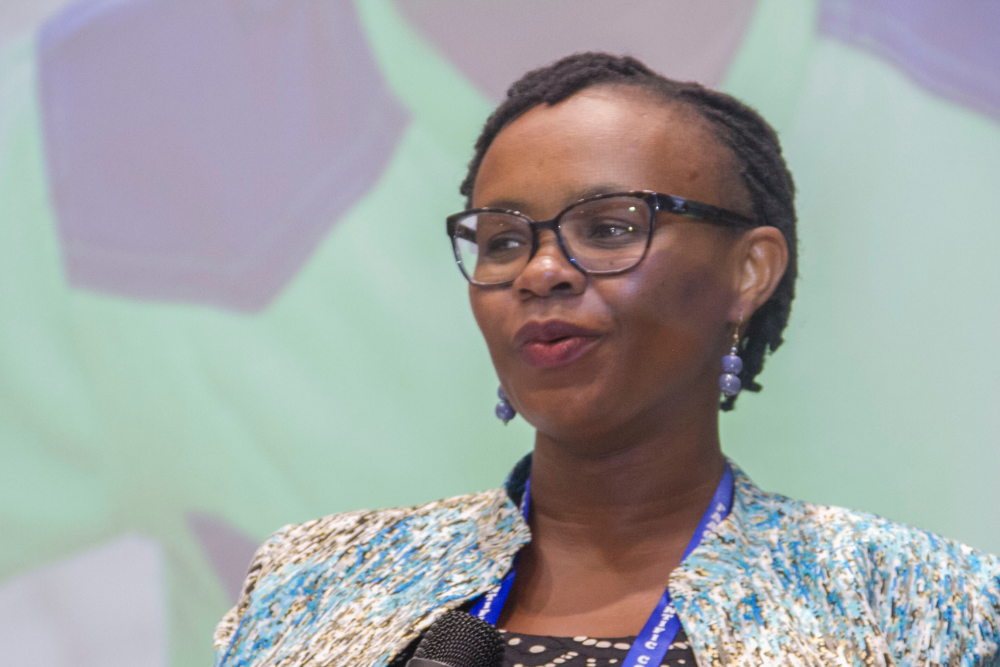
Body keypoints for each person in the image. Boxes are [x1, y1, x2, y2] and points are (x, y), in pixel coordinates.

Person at [213, 53, 1000, 667]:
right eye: (503, 241)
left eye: (610, 227)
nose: (540, 271)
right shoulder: (317, 579)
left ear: (748, 271)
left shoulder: (924, 600)